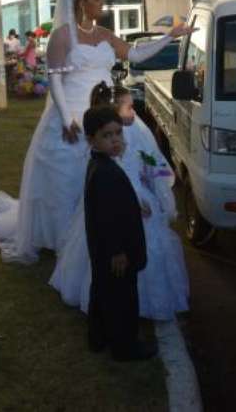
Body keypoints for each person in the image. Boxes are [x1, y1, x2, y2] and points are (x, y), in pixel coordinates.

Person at [0, 0, 194, 263]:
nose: (102, 4)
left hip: (106, 110)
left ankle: (112, 230)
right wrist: (66, 119)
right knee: (68, 178)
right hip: (72, 111)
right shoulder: (63, 36)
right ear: (81, 4)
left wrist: (170, 36)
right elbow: (55, 80)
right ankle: (66, 238)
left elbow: (135, 54)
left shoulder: (105, 34)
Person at [49, 83, 189, 321]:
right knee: (125, 254)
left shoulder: (121, 137)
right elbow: (124, 177)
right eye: (130, 107)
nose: (134, 113)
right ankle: (122, 308)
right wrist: (151, 190)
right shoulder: (114, 147)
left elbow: (152, 165)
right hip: (126, 207)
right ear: (115, 111)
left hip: (135, 198)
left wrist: (155, 175)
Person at [81, 104, 155, 361]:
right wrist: (118, 251)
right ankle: (126, 346)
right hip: (116, 252)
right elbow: (108, 217)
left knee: (102, 291)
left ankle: (98, 336)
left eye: (118, 134)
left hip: (105, 251)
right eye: (107, 136)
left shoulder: (100, 164)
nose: (115, 141)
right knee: (123, 299)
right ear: (91, 139)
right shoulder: (106, 173)